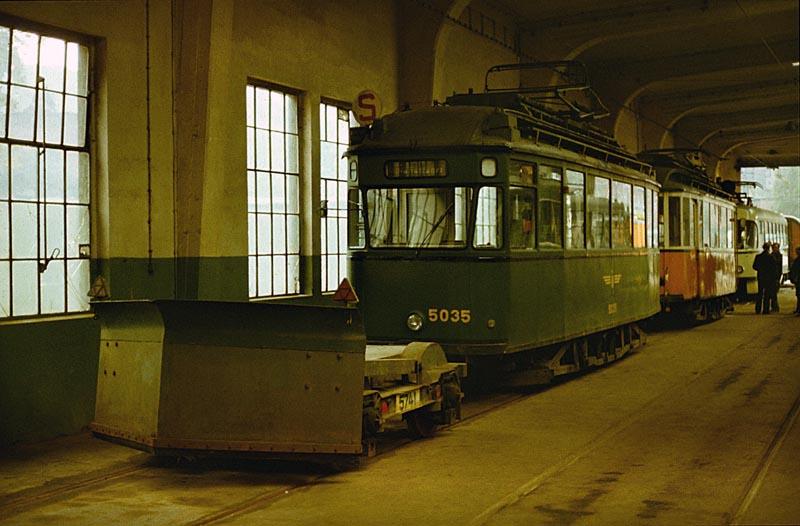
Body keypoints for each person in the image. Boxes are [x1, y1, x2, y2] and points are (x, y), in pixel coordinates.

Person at [752, 242, 776, 314]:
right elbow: (774, 268)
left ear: (763, 248)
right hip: (769, 278)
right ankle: (766, 310)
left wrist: (760, 269)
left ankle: (758, 309)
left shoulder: (758, 257)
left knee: (759, 293)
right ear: (769, 248)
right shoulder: (771, 257)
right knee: (767, 294)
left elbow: (754, 266)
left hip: (761, 277)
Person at [770, 242, 783, 312]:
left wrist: (779, 277)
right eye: (774, 248)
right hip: (772, 277)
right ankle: (774, 307)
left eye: (776, 248)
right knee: (773, 293)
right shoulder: (772, 255)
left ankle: (775, 307)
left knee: (774, 293)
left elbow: (779, 267)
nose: (775, 249)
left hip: (776, 277)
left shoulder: (779, 256)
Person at [790, 247, 800, 315]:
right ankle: (798, 309)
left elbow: (796, 270)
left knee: (799, 294)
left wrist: (795, 277)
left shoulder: (798, 260)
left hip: (798, 279)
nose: (796, 252)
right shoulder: (797, 259)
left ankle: (798, 310)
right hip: (798, 279)